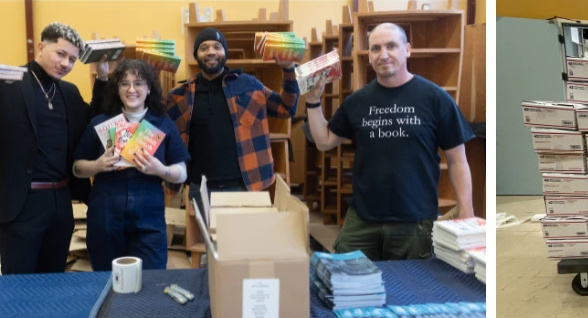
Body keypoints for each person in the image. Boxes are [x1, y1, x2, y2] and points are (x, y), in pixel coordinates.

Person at [304, 23, 476, 261]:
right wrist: (313, 102)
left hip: (414, 223)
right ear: (369, 57)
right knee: (348, 285)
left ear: (407, 50)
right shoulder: (358, 101)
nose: (383, 55)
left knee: (413, 292)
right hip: (362, 219)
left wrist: (466, 210)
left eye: (391, 46)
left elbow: (458, 161)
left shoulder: (436, 98)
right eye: (375, 49)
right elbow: (324, 142)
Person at [0, 22, 102, 274]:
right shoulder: (5, 84)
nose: (66, 63)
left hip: (60, 202)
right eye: (61, 54)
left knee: (53, 280)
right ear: (41, 48)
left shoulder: (69, 92)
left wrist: (104, 77)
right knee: (18, 285)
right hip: (20, 203)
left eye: (73, 59)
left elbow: (95, 122)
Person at [166, 28, 299, 219]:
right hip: (201, 186)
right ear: (196, 55)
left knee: (243, 244)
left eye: (217, 47)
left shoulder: (249, 85)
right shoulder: (181, 96)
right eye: (204, 48)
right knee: (209, 245)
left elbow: (287, 108)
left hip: (244, 185)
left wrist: (288, 69)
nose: (211, 51)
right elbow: (153, 120)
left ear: (225, 53)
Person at [73, 59, 189, 271]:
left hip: (149, 210)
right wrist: (97, 165)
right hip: (105, 207)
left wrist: (160, 170)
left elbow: (181, 173)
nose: (131, 89)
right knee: (105, 278)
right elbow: (77, 167)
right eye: (124, 83)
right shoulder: (100, 123)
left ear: (149, 88)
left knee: (151, 276)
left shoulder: (163, 124)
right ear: (117, 89)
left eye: (138, 83)